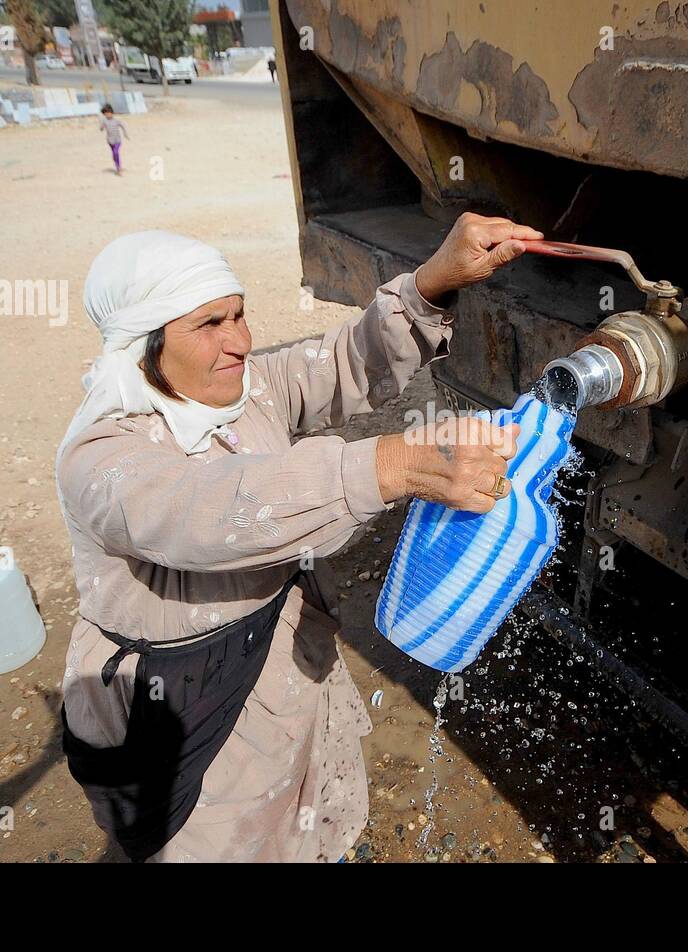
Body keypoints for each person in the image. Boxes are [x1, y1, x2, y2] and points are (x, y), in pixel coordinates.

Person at [56, 214, 543, 861]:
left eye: (239, 315)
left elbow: (342, 363)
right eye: (209, 324)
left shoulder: (241, 389)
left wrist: (431, 285)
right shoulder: (100, 458)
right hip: (194, 715)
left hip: (280, 682)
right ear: (141, 342)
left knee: (310, 824)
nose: (239, 340)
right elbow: (212, 510)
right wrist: (393, 465)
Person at [98, 104, 128, 175]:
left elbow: (122, 126)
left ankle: (118, 168)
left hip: (117, 140)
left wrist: (125, 134)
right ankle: (117, 164)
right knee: (114, 154)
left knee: (116, 152)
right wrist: (101, 126)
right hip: (110, 141)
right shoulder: (105, 121)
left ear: (112, 113)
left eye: (109, 113)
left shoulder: (116, 121)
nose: (108, 115)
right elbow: (101, 129)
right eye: (106, 114)